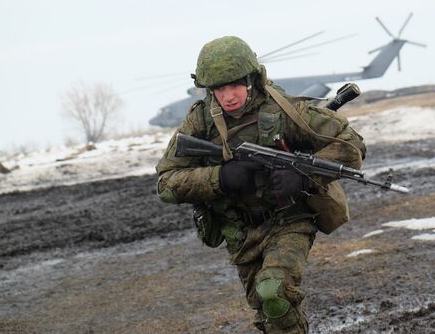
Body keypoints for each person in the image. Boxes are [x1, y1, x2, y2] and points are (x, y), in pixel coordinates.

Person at [155, 36, 366, 333]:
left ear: (251, 79)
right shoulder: (199, 122)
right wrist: (221, 178)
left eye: (235, 85)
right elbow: (166, 183)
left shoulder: (283, 110)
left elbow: (351, 146)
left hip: (289, 220)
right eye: (219, 89)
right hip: (239, 232)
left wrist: (303, 176)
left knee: (274, 292)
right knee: (269, 314)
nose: (228, 96)